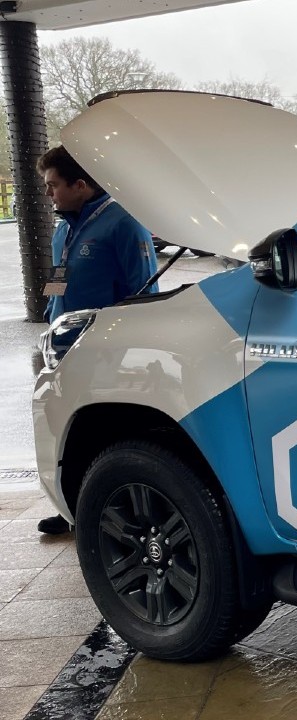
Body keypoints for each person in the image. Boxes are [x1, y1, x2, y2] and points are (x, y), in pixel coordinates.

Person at [35, 145, 158, 534]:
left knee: (104, 432)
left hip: (104, 351)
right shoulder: (63, 227)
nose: (49, 194)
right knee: (61, 432)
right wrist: (49, 317)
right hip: (62, 346)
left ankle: (118, 509)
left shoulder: (124, 224)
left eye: (53, 185)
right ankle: (69, 506)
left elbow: (144, 291)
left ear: (81, 184)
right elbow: (60, 275)